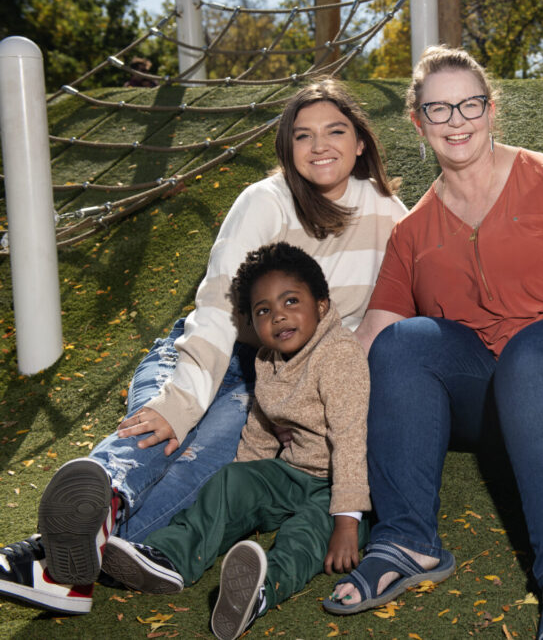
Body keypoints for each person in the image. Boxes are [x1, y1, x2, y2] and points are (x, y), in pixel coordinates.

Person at [0, 78, 406, 615]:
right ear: (287, 149)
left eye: (335, 130)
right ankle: (95, 512)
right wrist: (183, 400)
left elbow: (405, 298)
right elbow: (217, 307)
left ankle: (60, 567)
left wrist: (309, 393)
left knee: (204, 465)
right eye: (303, 135)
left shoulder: (389, 213)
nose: (320, 145)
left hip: (277, 374)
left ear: (360, 142)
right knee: (159, 429)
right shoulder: (265, 201)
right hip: (209, 350)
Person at [324, 46, 543, 640]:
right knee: (404, 343)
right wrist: (300, 393)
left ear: (490, 109)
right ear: (418, 122)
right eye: (439, 109)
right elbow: (372, 338)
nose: (456, 121)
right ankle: (408, 542)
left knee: (532, 354)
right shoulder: (412, 232)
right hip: (493, 389)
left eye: (470, 105)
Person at [96, 242, 371, 640]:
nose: (278, 315)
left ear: (323, 305)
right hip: (293, 472)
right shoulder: (267, 359)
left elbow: (350, 440)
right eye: (264, 311)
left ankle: (258, 592)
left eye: (291, 301)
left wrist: (348, 522)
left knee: (307, 535)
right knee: (229, 482)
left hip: (341, 487)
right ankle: (169, 558)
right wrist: (242, 490)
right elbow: (260, 424)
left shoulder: (339, 355)